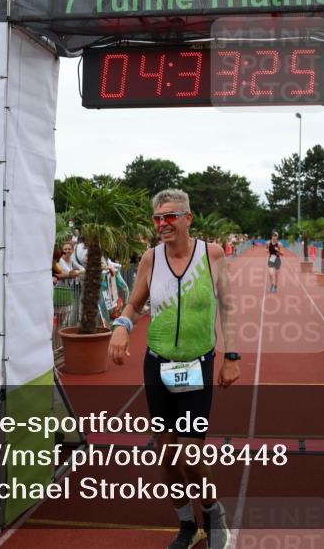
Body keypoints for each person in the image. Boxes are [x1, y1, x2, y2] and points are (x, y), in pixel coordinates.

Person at [108, 189, 238, 549]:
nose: (163, 224)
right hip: (158, 365)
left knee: (189, 452)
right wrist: (122, 325)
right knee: (166, 451)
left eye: (170, 216)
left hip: (197, 364)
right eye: (157, 218)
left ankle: (213, 512)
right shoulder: (150, 259)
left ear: (187, 219)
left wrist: (232, 357)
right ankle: (187, 525)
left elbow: (227, 306)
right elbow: (135, 303)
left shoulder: (210, 254)